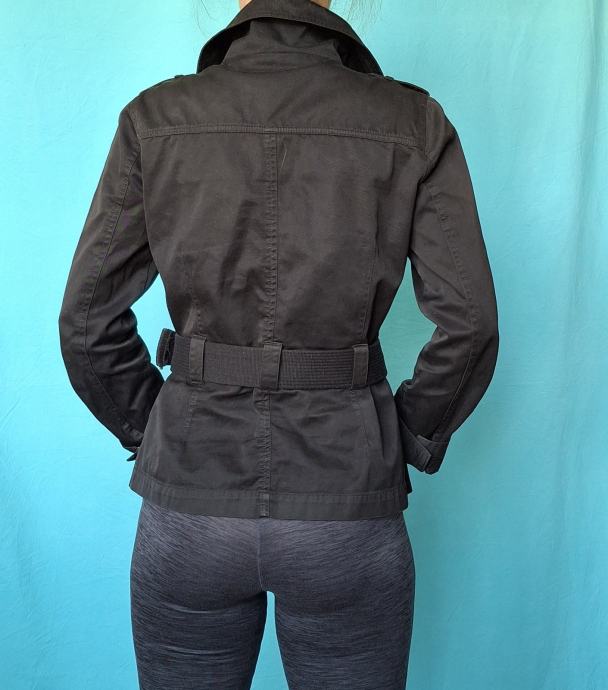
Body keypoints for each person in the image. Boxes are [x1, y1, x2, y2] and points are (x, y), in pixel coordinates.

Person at [57, 0, 499, 687]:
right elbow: (470, 325)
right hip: (346, 503)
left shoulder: (156, 118)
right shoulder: (412, 122)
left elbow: (86, 322)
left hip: (191, 498)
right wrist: (400, 438)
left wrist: (155, 427)